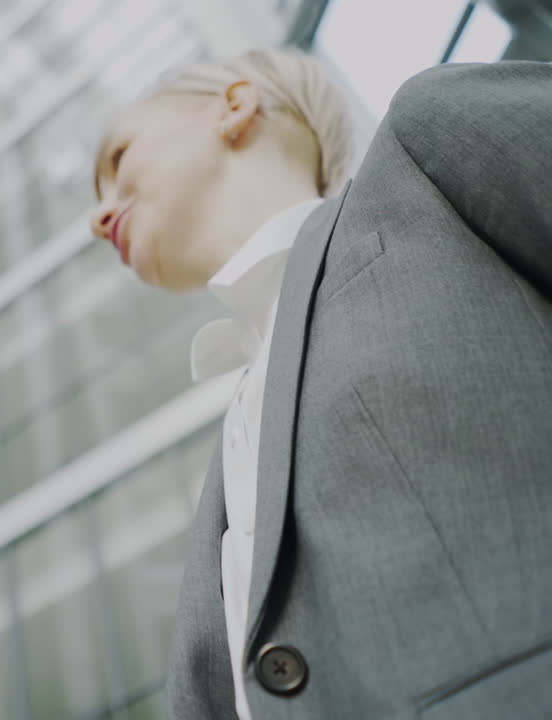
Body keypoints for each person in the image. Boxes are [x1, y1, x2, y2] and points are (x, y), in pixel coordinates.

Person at [90, 48, 552, 718]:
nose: (98, 217)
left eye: (118, 159)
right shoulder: (232, 452)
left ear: (236, 105)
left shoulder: (425, 157)